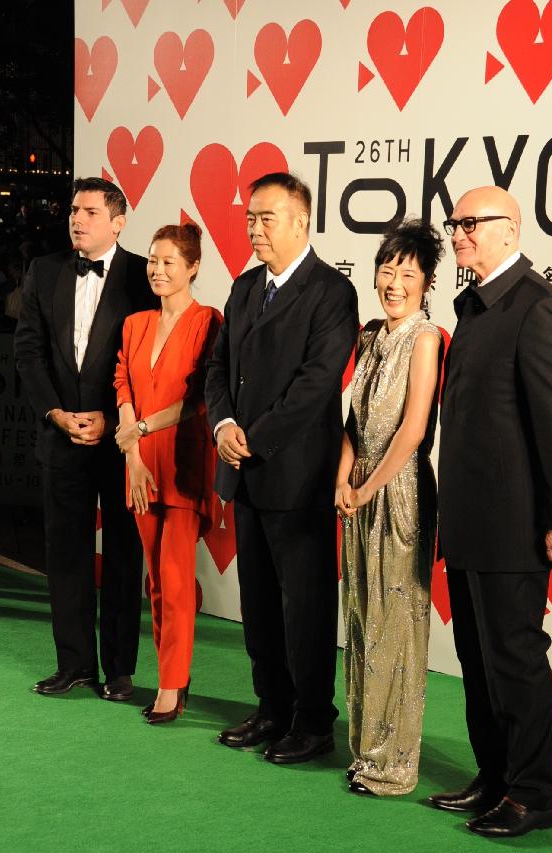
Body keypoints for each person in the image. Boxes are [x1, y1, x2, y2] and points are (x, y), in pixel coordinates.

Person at [205, 172, 359, 764]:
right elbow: (217, 369)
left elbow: (318, 384)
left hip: (296, 476)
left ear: (302, 221)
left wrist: (255, 438)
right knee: (260, 602)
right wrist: (223, 427)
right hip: (243, 473)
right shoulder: (243, 288)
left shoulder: (330, 292)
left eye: (266, 218)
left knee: (307, 606)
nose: (254, 229)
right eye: (250, 218)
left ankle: (313, 720)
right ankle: (271, 707)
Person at [430, 185, 552, 837]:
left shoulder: (536, 307)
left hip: (514, 526)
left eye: (471, 222)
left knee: (514, 659)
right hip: (468, 522)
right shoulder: (476, 306)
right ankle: (495, 777)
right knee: (478, 660)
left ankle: (533, 795)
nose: (457, 231)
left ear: (510, 230)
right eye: (453, 221)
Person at [15, 177, 152, 701]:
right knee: (66, 554)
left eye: (90, 212)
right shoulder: (44, 270)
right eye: (74, 210)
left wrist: (110, 416)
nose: (77, 219)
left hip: (121, 441)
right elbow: (28, 352)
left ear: (118, 221)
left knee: (122, 554)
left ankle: (118, 671)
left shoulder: (145, 275)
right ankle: (73, 664)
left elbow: (149, 361)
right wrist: (56, 413)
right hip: (60, 437)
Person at [336, 219, 444, 796]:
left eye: (408, 273)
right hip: (357, 488)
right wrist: (342, 477)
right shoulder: (369, 334)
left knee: (396, 622)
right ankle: (364, 748)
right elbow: (353, 419)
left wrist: (367, 487)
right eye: (387, 269)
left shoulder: (426, 338)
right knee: (361, 615)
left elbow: (413, 429)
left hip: (399, 493)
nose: (394, 282)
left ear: (427, 282)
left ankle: (393, 763)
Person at [114, 223, 221, 724]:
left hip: (182, 463)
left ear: (193, 266)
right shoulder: (134, 323)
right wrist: (132, 452)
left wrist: (138, 428)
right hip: (139, 465)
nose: (157, 270)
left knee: (176, 577)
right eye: (153, 261)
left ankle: (172, 684)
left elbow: (201, 397)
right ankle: (171, 673)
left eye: (168, 262)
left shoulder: (208, 322)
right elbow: (123, 383)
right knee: (155, 580)